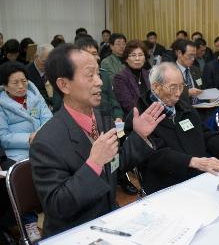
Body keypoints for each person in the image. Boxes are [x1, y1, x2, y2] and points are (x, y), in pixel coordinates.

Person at [29, 43, 165, 236]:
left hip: (109, 220)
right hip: (74, 232)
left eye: (98, 74)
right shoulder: (46, 141)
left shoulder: (103, 119)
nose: (99, 82)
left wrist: (140, 136)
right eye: (89, 75)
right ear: (64, 85)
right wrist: (94, 163)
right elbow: (58, 206)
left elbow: (116, 164)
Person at [124, 62, 219, 194]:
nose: (178, 93)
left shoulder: (184, 108)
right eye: (173, 87)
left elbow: (205, 134)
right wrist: (191, 161)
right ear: (156, 87)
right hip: (167, 187)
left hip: (200, 178)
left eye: (181, 86)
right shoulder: (140, 116)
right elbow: (154, 155)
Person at [0, 61, 52, 162]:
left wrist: (40, 135)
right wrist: (29, 139)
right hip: (17, 155)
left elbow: (48, 119)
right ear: (5, 86)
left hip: (44, 146)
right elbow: (3, 137)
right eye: (15, 83)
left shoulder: (36, 96)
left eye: (24, 81)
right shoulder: (1, 105)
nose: (21, 86)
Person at [75, 37, 124, 121]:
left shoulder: (104, 75)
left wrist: (118, 116)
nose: (91, 57)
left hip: (108, 119)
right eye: (87, 54)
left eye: (94, 53)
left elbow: (113, 100)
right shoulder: (74, 78)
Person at [113, 40, 151, 117]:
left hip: (152, 116)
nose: (137, 58)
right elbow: (128, 104)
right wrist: (148, 115)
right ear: (126, 59)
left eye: (140, 55)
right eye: (133, 55)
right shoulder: (120, 77)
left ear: (145, 58)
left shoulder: (149, 74)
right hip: (132, 119)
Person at [26, 44, 54, 108]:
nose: (48, 65)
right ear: (35, 57)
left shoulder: (55, 69)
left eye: (51, 62)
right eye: (44, 62)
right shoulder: (25, 73)